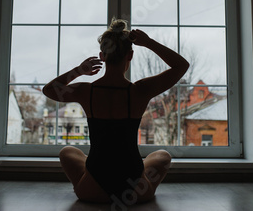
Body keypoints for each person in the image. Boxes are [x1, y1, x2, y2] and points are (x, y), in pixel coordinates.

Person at [42, 18, 189, 205]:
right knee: (163, 156)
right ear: (130, 55)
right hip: (136, 191)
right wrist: (149, 42)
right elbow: (181, 65)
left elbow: (49, 90)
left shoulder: (86, 91)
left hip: (91, 190)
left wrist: (79, 70)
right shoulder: (140, 90)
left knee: (67, 151)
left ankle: (90, 177)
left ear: (102, 56)